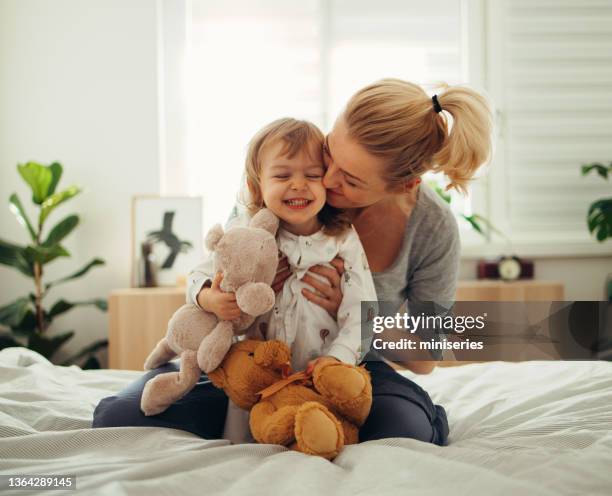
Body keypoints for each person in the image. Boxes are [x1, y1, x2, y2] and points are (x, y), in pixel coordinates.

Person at [94, 79, 493, 447]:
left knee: (405, 430)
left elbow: (426, 356)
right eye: (330, 153)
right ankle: (276, 419)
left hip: (348, 366)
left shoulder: (432, 227)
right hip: (250, 359)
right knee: (121, 417)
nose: (326, 180)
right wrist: (222, 293)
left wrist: (352, 310)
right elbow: (216, 272)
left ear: (404, 185)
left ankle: (320, 421)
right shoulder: (282, 185)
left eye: (351, 180)